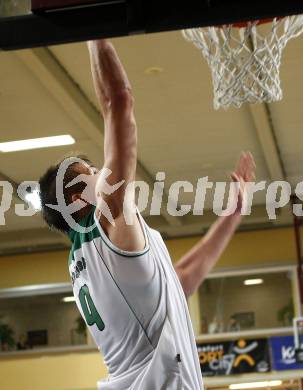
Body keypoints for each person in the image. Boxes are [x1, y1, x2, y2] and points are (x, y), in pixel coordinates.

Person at [39, 39, 255, 389]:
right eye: (91, 169)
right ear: (78, 197)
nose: (102, 171)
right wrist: (96, 31)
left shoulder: (85, 259)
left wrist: (232, 215)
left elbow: (179, 279)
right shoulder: (104, 223)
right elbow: (118, 100)